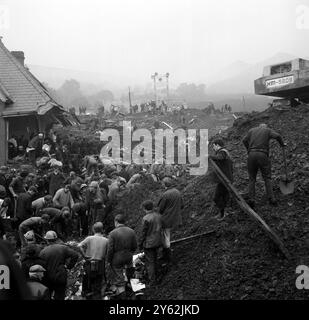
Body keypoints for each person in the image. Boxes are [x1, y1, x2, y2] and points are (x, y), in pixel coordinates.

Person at [242, 123, 286, 207]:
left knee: (252, 178)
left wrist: (249, 150)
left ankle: (251, 199)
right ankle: (272, 199)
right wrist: (282, 144)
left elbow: (244, 140)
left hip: (251, 155)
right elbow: (278, 136)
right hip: (263, 154)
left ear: (259, 126)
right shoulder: (267, 130)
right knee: (267, 177)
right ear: (265, 127)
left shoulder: (251, 130)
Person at [39, 231, 79, 300]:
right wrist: (69, 266)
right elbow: (75, 255)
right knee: (60, 296)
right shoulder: (63, 248)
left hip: (48, 277)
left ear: (47, 240)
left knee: (47, 296)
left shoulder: (43, 252)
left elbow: (41, 265)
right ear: (56, 239)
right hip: (60, 276)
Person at [107, 214, 137, 297]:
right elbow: (135, 245)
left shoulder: (112, 233)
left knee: (119, 276)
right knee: (131, 272)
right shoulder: (131, 231)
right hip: (128, 255)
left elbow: (110, 249)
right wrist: (130, 252)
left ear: (116, 222)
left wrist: (109, 260)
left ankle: (123, 294)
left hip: (117, 257)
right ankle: (136, 292)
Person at [78, 222, 108, 299]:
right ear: (102, 230)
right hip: (100, 263)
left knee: (88, 283)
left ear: (93, 229)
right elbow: (108, 252)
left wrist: (84, 256)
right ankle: (96, 297)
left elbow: (79, 246)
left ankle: (88, 296)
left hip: (89, 263)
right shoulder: (106, 240)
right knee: (98, 284)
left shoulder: (89, 238)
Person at [157, 178, 183, 265]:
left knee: (165, 238)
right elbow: (182, 205)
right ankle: (167, 255)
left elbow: (160, 209)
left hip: (167, 219)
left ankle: (168, 258)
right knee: (167, 237)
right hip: (176, 218)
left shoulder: (165, 194)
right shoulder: (177, 192)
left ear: (165, 185)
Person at [139, 200, 163, 285]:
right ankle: (159, 276)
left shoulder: (146, 218)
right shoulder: (159, 216)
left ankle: (152, 280)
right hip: (159, 240)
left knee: (150, 262)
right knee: (156, 259)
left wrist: (140, 244)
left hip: (149, 243)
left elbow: (143, 232)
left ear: (144, 208)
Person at [209, 139, 233, 220]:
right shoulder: (225, 152)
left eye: (213, 146)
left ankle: (222, 214)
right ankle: (223, 213)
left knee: (217, 197)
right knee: (224, 196)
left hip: (224, 180)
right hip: (225, 179)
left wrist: (210, 156)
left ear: (217, 145)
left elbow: (220, 158)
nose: (213, 148)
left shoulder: (223, 152)